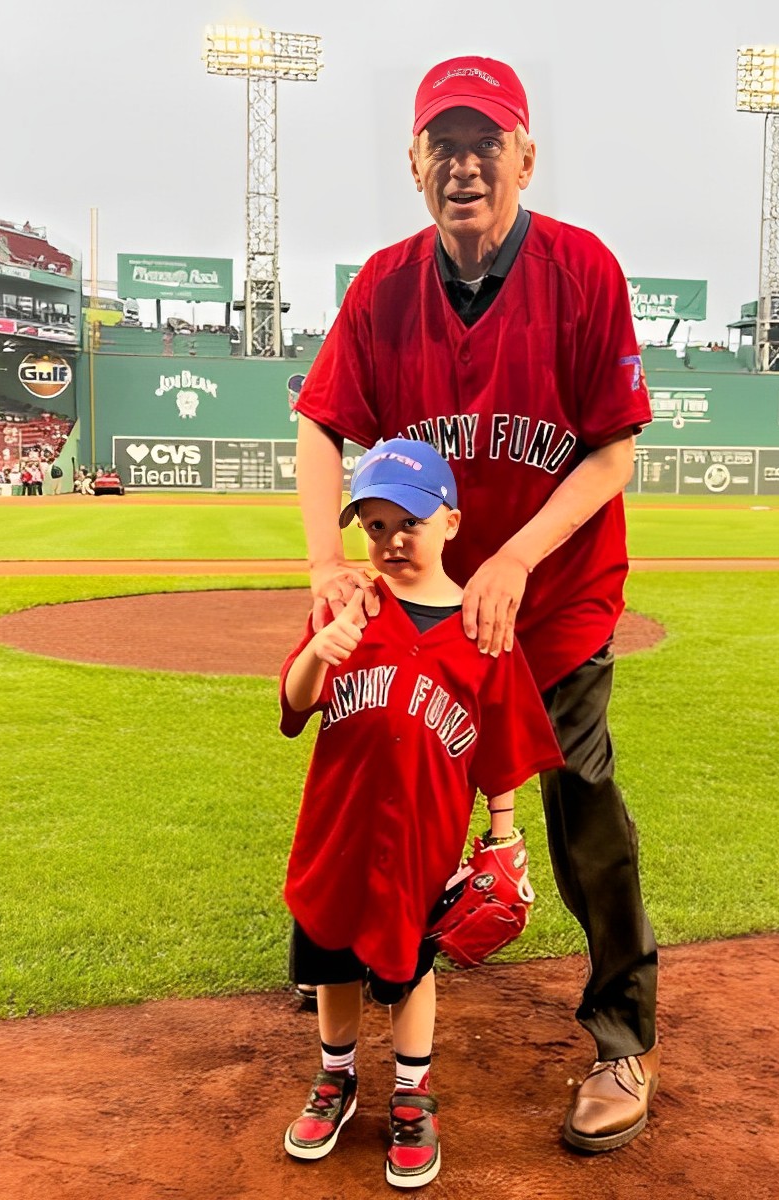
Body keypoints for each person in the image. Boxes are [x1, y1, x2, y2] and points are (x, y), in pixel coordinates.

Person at [291, 55, 660, 1155]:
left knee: (579, 799)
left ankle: (620, 1039)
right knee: (385, 774)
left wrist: (517, 562)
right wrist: (325, 562)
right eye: (442, 146)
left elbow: (612, 454)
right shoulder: (384, 286)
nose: (464, 165)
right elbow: (321, 426)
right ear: (414, 165)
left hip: (554, 602)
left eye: (484, 143)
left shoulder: (583, 271)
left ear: (524, 157)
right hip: (425, 604)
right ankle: (360, 983)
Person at [279, 439, 562, 1189]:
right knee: (331, 955)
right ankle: (336, 1080)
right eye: (372, 526)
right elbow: (295, 702)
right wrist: (321, 649)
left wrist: (504, 836)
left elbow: (502, 746)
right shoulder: (348, 609)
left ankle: (412, 1095)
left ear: (452, 523)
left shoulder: (482, 629)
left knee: (410, 967)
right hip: (337, 828)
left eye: (409, 521)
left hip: (422, 840)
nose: (391, 540)